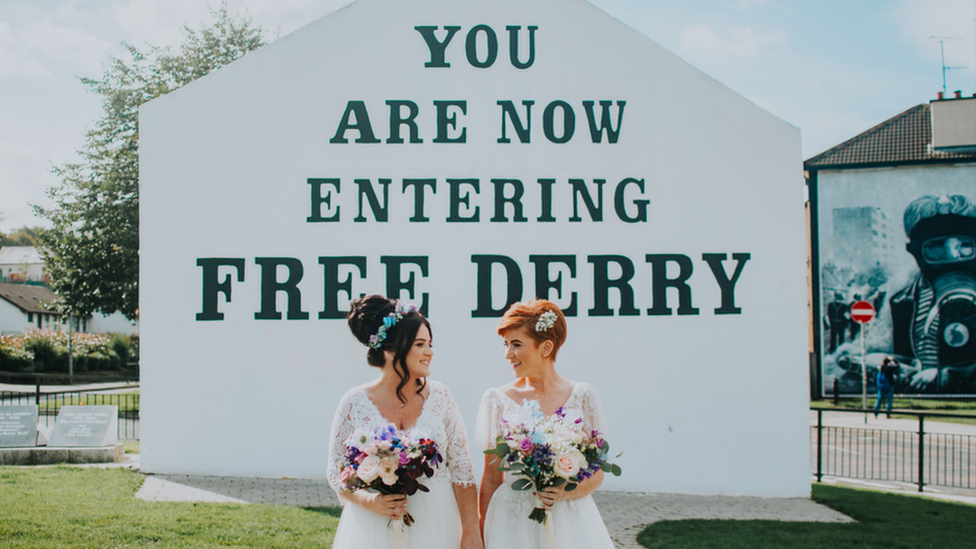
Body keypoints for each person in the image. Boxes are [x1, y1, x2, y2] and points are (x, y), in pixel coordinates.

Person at [326, 295, 483, 549]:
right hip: (374, 525)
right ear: (391, 351)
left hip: (437, 521)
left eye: (430, 343)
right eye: (420, 344)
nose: (429, 352)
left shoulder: (441, 396)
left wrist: (471, 531)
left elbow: (463, 470)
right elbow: (336, 474)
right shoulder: (354, 402)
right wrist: (370, 501)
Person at [475, 300, 615, 549]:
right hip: (513, 523)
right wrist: (480, 533)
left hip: (569, 522)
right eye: (506, 345)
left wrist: (565, 492)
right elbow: (490, 479)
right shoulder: (497, 400)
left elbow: (598, 471)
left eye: (516, 344)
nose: (507, 354)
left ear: (546, 347)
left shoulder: (582, 396)